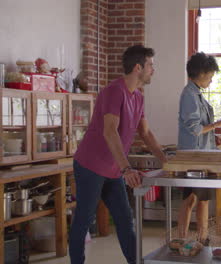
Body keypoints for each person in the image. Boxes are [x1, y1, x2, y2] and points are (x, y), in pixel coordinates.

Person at [69, 45, 167, 264]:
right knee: (83, 220)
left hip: (113, 169)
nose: (153, 70)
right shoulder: (114, 91)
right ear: (137, 67)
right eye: (151, 65)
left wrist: (165, 160)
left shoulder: (138, 97)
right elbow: (109, 131)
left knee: (125, 220)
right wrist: (126, 168)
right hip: (90, 166)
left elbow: (146, 132)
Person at [177, 52, 221, 243]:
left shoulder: (197, 94)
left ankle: (200, 238)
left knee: (199, 198)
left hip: (201, 155)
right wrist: (218, 125)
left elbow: (201, 129)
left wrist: (213, 135)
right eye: (210, 75)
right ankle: (186, 239)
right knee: (194, 199)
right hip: (194, 157)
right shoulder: (189, 95)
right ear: (201, 73)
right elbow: (194, 128)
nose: (211, 80)